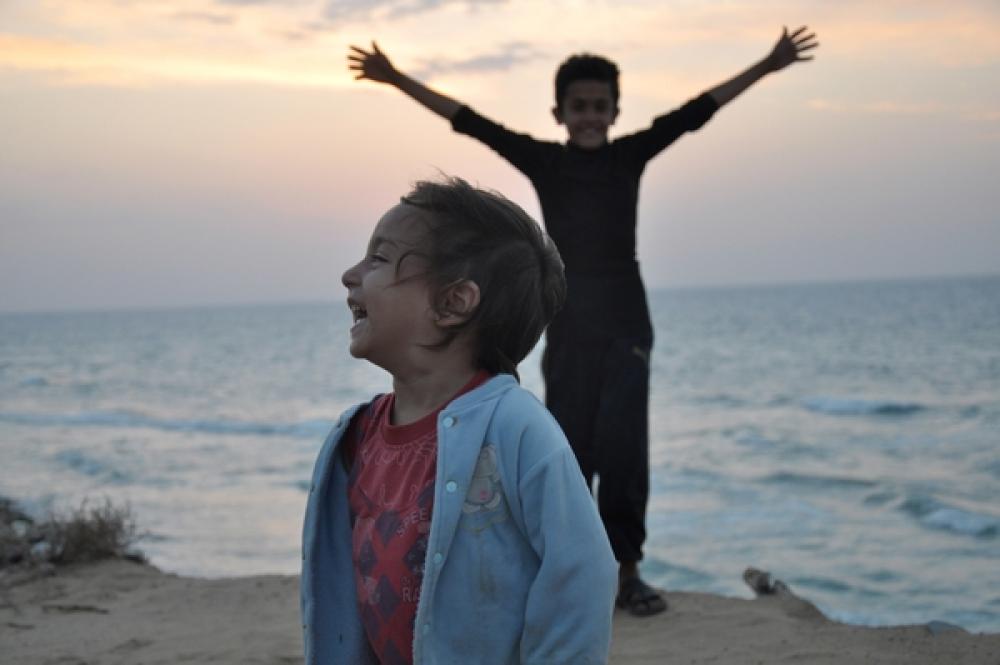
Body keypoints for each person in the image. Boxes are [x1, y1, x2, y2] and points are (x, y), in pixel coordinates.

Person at [347, 26, 818, 618]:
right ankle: (566, 571)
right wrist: (395, 78)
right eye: (580, 107)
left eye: (600, 106)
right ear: (559, 114)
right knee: (568, 448)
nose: (591, 117)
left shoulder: (629, 155)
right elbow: (469, 120)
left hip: (626, 324)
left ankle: (628, 573)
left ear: (616, 111)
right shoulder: (546, 162)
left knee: (624, 450)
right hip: (567, 322)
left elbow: (698, 111)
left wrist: (769, 65)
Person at [300, 177, 618, 664]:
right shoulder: (357, 436)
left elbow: (581, 572)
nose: (350, 275)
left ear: (452, 303)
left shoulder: (515, 427)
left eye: (378, 259)